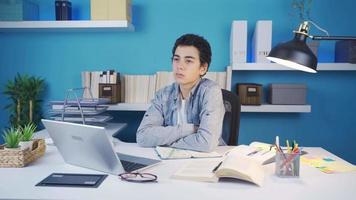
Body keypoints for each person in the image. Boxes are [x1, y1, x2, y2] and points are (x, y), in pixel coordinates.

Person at [136, 34, 225, 152]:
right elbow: (143, 136)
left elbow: (206, 143)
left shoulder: (211, 92)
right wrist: (188, 129)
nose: (179, 66)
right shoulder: (163, 95)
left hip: (206, 161)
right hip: (171, 160)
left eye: (188, 61)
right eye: (176, 59)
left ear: (202, 68)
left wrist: (165, 141)